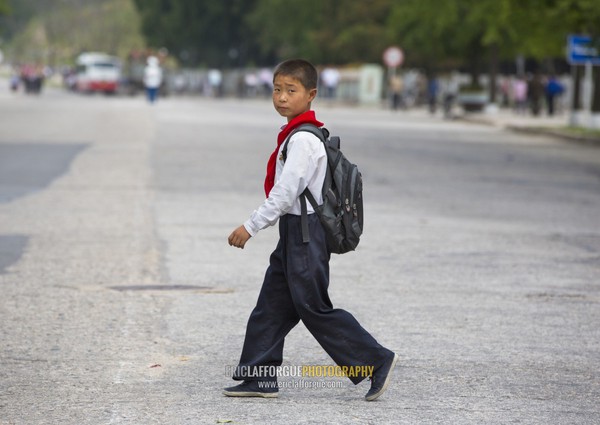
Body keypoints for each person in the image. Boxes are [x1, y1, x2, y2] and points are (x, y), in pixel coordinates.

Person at [224, 59, 398, 401]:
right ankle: (258, 377)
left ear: (311, 94)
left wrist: (251, 226)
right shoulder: (296, 134)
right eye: (277, 90)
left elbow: (286, 192)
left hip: (306, 233)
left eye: (291, 91)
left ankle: (376, 361)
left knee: (314, 308)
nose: (282, 98)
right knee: (271, 306)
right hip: (294, 232)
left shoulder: (303, 140)